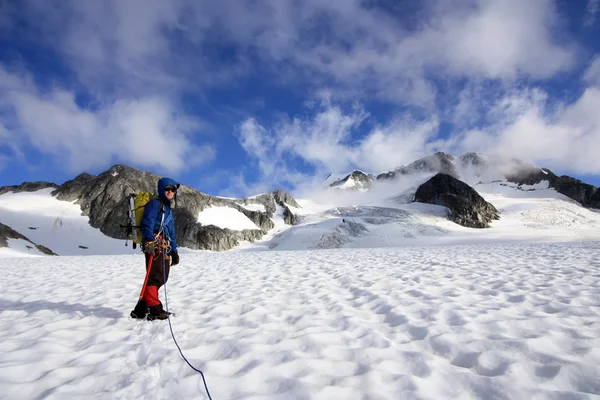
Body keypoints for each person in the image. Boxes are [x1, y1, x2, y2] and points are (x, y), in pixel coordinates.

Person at [130, 177, 180, 320]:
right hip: (155, 243)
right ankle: (155, 308)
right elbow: (148, 222)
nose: (170, 192)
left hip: (164, 245)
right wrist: (148, 242)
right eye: (167, 189)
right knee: (155, 276)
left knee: (161, 277)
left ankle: (141, 309)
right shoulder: (154, 204)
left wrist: (174, 251)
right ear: (161, 190)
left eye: (173, 190)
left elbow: (171, 232)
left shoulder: (168, 210)